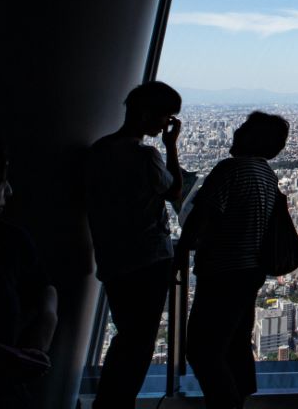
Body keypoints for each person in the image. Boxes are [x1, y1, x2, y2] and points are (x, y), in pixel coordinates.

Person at [178, 111, 287, 409]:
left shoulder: (230, 169)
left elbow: (201, 217)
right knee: (235, 346)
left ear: (254, 137)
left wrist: (180, 254)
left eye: (244, 128)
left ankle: (224, 405)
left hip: (222, 272)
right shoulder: (267, 173)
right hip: (250, 272)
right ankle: (237, 400)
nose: (236, 131)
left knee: (203, 350)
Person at [86, 81, 183, 409]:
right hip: (149, 259)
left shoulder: (98, 150)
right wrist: (171, 146)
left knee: (126, 335)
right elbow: (175, 192)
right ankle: (116, 403)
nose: (164, 124)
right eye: (164, 117)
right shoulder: (145, 155)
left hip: (113, 259)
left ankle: (110, 402)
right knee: (139, 343)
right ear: (145, 115)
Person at [0, 138, 59, 408]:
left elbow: (45, 288)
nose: (8, 191)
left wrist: (46, 322)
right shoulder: (8, 240)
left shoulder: (10, 240)